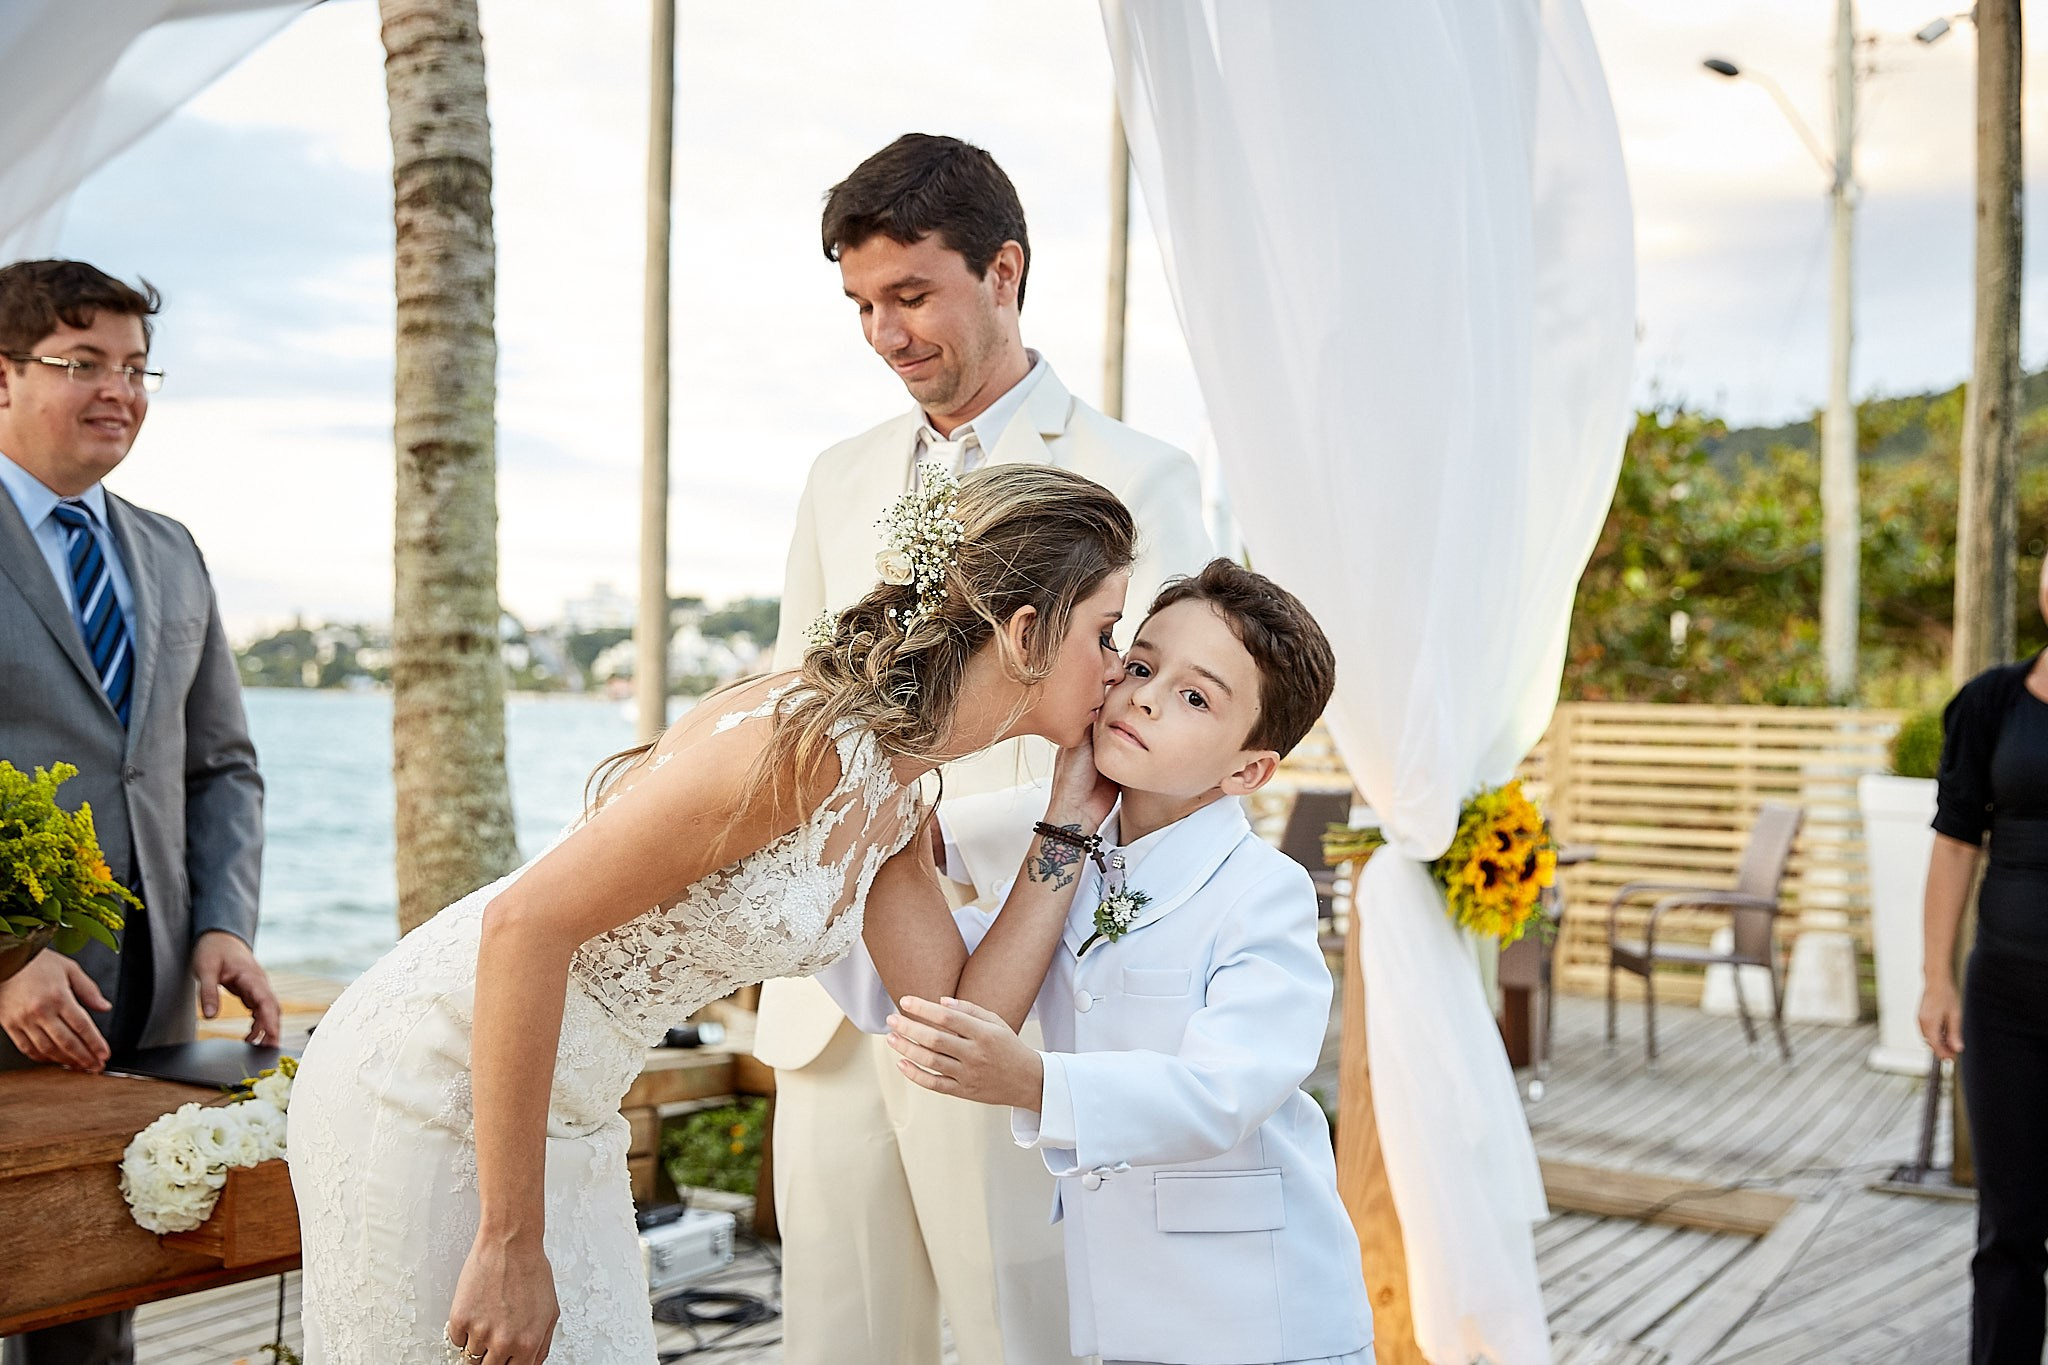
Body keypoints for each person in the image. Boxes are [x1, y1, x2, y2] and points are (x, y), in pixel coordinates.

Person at [288, 464, 1138, 1364]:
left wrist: (1069, 823)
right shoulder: (804, 743)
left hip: (569, 1107)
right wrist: (508, 1241)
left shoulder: (894, 787)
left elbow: (963, 1021)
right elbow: (522, 927)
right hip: (438, 1075)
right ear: (1025, 632)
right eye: (1107, 632)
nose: (1120, 669)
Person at [761, 131, 1212, 1365]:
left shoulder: (1141, 477)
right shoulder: (833, 477)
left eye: (911, 295)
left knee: (1023, 1335)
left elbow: (1153, 742)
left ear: (1003, 272)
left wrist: (936, 843)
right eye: (860, 305)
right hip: (831, 1004)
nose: (885, 334)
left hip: (1007, 983)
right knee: (835, 1341)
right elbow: (797, 705)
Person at [875, 559, 1372, 1365]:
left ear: (1247, 769)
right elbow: (928, 949)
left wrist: (1032, 1080)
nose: (1143, 695)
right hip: (1120, 1315)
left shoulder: (1265, 892)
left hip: (1262, 1322)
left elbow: (1221, 1093)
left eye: (1194, 696)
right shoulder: (1065, 848)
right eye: (1139, 665)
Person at [0, 259, 278, 1365]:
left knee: (94, 1305)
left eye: (134, 366)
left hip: (142, 1001)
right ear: (4, 378)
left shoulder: (169, 550)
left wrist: (222, 922)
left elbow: (219, 766)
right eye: (83, 365)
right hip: (14, 995)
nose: (119, 390)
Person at [1919, 558, 2048, 1365]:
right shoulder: (1992, 702)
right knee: (2009, 1228)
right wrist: (1936, 975)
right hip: (2006, 1000)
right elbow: (1955, 838)